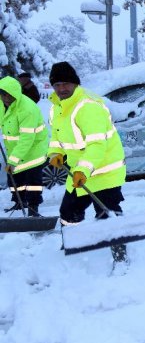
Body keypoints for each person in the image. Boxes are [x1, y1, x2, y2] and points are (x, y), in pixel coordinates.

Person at [46, 61, 128, 263]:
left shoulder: (88, 106)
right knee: (68, 212)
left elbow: (96, 145)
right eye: (57, 85)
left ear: (75, 83)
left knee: (107, 214)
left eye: (65, 83)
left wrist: (84, 169)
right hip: (78, 173)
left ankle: (120, 257)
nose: (61, 89)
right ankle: (71, 248)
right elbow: (57, 137)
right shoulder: (57, 107)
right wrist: (55, 152)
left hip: (103, 171)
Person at [0, 77, 48, 216]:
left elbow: (27, 138)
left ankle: (33, 208)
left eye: (9, 95)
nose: (6, 98)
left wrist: (13, 160)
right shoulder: (2, 104)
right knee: (15, 180)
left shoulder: (27, 109)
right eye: (3, 95)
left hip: (34, 149)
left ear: (15, 92)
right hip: (15, 149)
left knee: (33, 182)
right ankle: (19, 203)